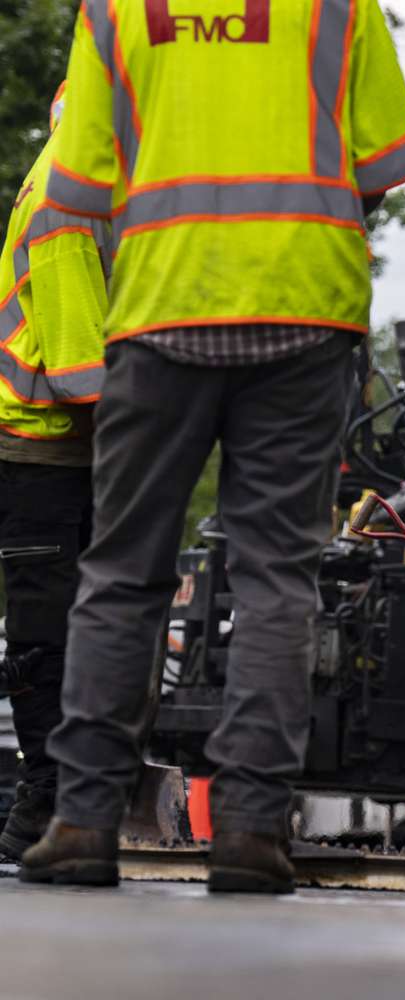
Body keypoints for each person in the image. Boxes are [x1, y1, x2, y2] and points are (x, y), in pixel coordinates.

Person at [22, 0, 405, 893]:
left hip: (160, 311)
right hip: (306, 310)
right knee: (275, 577)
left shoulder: (115, 8)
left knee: (123, 572)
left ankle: (83, 821)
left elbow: (79, 184)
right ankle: (249, 829)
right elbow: (383, 171)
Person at [0, 82, 109, 860]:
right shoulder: (71, 204)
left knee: (66, 630)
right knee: (50, 634)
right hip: (45, 448)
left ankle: (58, 803)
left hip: (50, 448)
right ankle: (43, 806)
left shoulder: (65, 181)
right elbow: (82, 375)